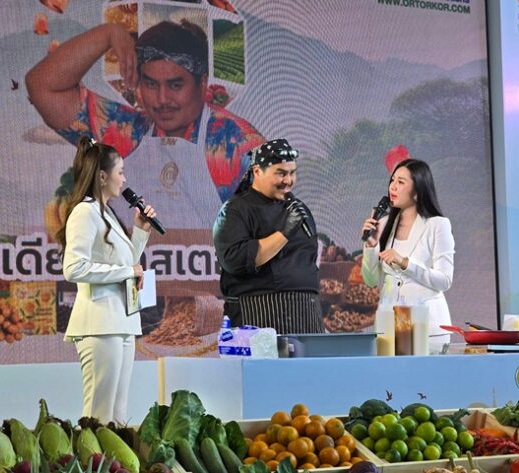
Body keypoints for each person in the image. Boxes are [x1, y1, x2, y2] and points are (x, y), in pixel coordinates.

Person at [26, 18, 264, 229]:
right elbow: (42, 86)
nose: (162, 100)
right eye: (151, 84)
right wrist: (109, 33)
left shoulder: (238, 144)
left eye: (175, 85)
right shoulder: (126, 131)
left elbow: (268, 236)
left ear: (202, 84)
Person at [55, 136, 157, 424]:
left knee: (117, 415)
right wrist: (127, 272)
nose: (124, 180)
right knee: (98, 414)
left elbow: (126, 265)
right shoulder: (84, 212)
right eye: (120, 172)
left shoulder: (106, 212)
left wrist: (140, 231)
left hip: (121, 321)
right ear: (102, 176)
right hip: (99, 323)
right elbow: (73, 268)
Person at [213, 139, 324, 333]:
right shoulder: (235, 210)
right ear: (257, 171)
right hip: (258, 315)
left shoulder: (298, 209)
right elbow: (235, 260)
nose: (288, 180)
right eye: (281, 173)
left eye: (292, 173)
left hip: (307, 315)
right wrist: (285, 232)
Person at [360, 159, 454, 343]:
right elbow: (371, 280)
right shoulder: (383, 224)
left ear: (418, 190)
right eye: (392, 180)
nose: (392, 187)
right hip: (389, 328)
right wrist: (371, 245)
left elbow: (444, 280)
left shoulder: (437, 225)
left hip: (426, 329)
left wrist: (405, 263)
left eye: (401, 182)